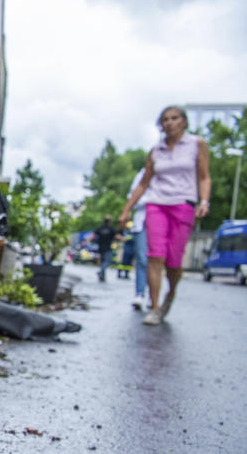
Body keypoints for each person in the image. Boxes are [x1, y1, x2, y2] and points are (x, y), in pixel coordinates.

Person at [120, 106, 211, 325]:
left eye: (174, 118)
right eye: (165, 119)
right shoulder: (156, 151)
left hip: (183, 204)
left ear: (184, 122)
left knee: (173, 261)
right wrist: (126, 209)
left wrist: (204, 201)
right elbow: (144, 183)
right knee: (155, 255)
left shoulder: (196, 144)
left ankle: (170, 292)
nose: (169, 123)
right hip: (157, 204)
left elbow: (204, 176)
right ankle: (155, 306)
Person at [122, 168, 150, 309]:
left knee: (156, 260)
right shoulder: (142, 175)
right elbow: (133, 198)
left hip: (164, 219)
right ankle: (140, 293)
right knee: (142, 259)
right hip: (143, 219)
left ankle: (153, 295)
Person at [90, 216, 119, 282]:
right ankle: (101, 271)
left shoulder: (100, 228)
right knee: (108, 261)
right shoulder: (110, 228)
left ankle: (102, 277)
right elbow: (116, 235)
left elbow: (93, 235)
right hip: (108, 247)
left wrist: (86, 241)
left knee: (103, 262)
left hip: (101, 248)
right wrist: (124, 239)